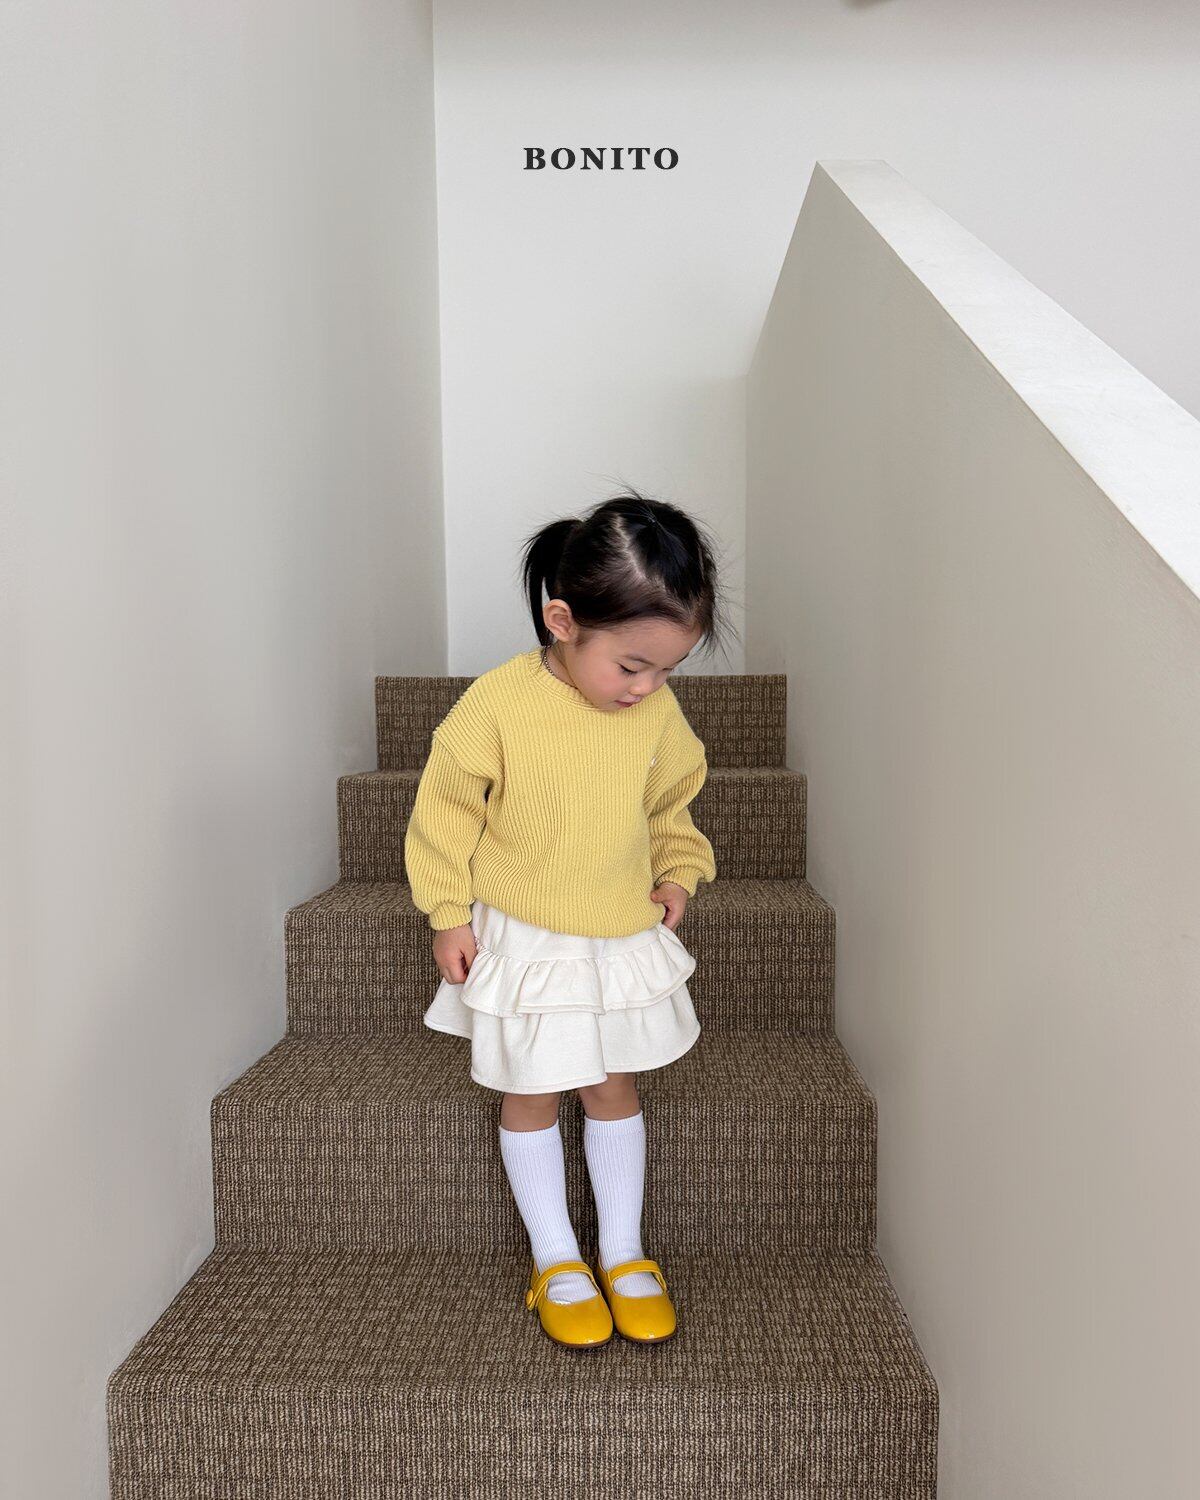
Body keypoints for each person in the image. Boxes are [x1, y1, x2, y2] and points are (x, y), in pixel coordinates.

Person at [403, 488, 730, 1349]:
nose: (647, 688)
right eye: (632, 666)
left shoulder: (655, 713)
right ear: (562, 621)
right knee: (534, 1088)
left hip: (618, 929)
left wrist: (679, 871)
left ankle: (621, 1251)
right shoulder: (497, 706)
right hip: (530, 933)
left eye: (667, 671)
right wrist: (447, 912)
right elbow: (445, 813)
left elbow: (671, 802)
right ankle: (556, 1257)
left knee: (612, 1083)